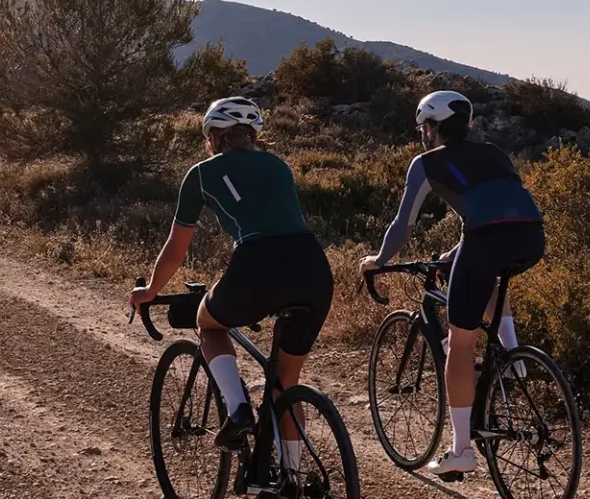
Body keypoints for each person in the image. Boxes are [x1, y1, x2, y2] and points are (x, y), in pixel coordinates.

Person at [129, 97, 334, 470]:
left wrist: (151, 291)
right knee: (285, 383)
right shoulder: (278, 165)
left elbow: (176, 249)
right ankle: (291, 477)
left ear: (214, 137)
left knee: (208, 323)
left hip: (257, 265)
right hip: (313, 268)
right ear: (253, 136)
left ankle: (238, 409)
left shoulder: (201, 174)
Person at [361, 90, 544, 478]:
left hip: (484, 243)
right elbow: (499, 209)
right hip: (531, 238)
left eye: (422, 129)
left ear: (430, 127)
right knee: (492, 277)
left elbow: (403, 224)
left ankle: (461, 450)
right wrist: (456, 251)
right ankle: (514, 360)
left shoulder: (426, 163)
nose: (422, 135)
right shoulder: (494, 153)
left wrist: (380, 260)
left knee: (459, 345)